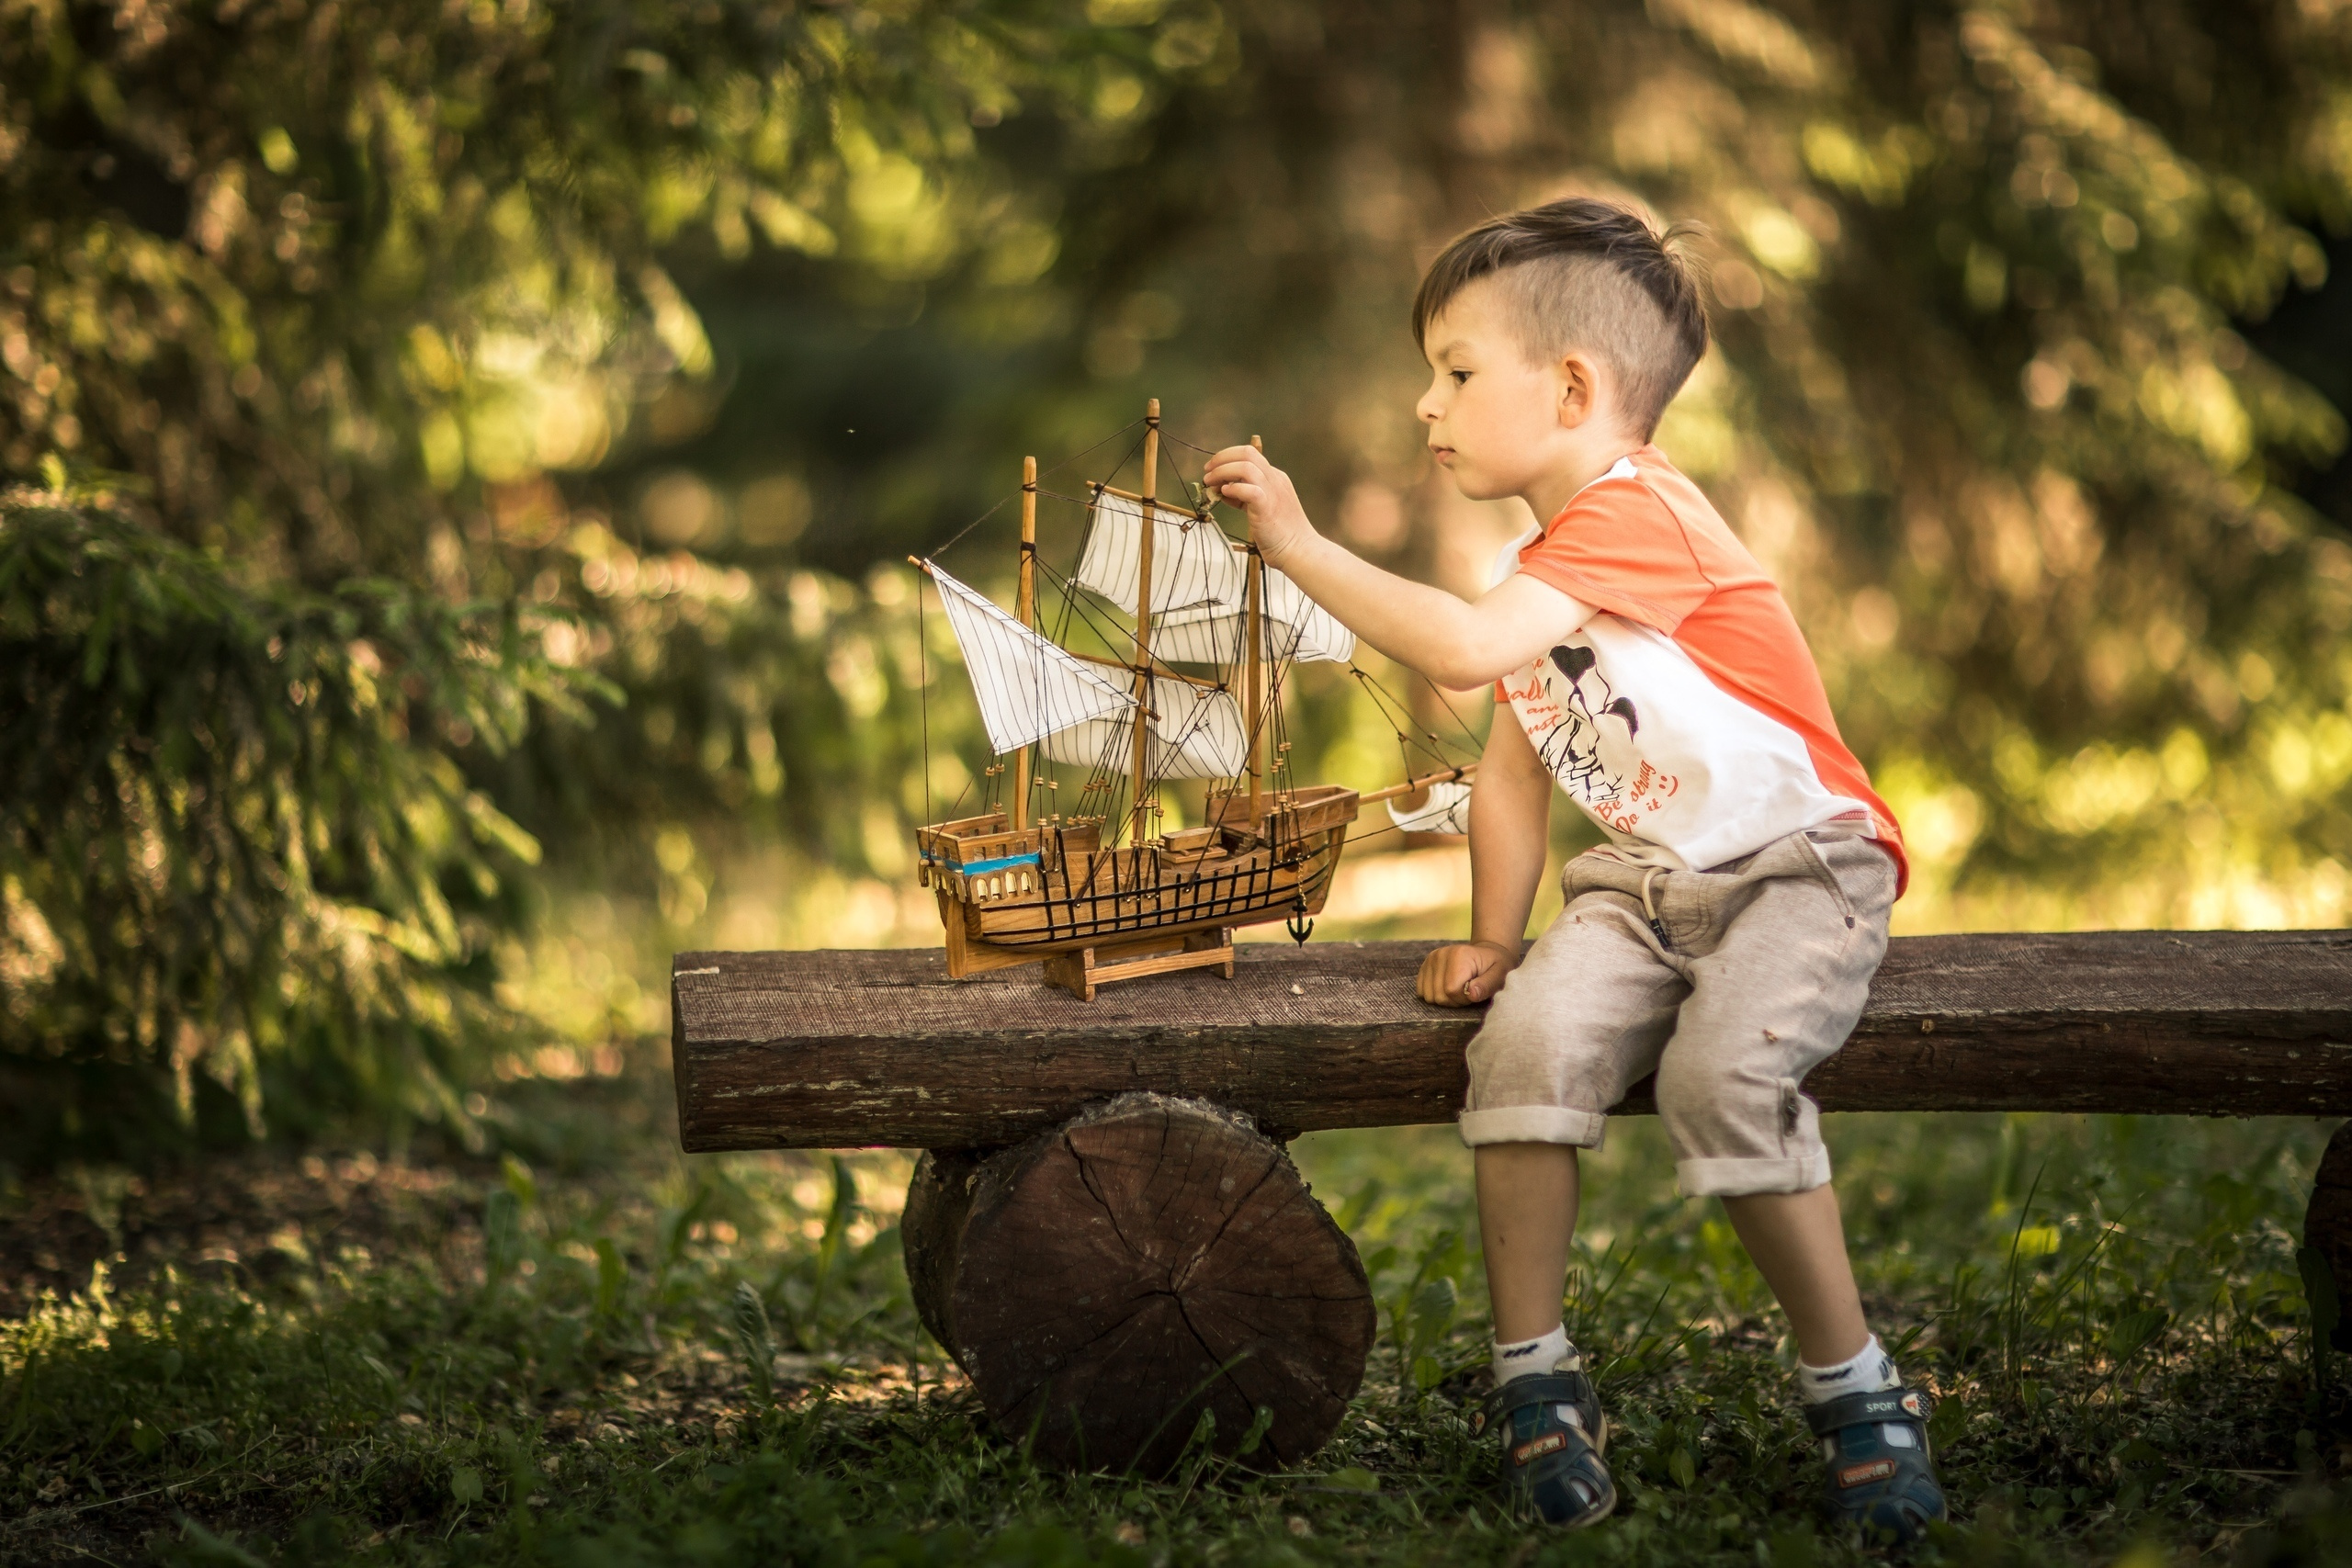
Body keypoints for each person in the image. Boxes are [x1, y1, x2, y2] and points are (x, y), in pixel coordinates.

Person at [1204, 197, 1947, 1542]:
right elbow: (1511, 768)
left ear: (1573, 387)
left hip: (1801, 869)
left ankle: (1857, 1386)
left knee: (1727, 1078)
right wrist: (1496, 939)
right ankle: (1536, 1381)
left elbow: (1464, 655)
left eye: (1456, 370)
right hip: (1645, 889)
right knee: (1522, 1052)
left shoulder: (1640, 513)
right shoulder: (1534, 568)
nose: (1426, 404)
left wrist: (1304, 547)